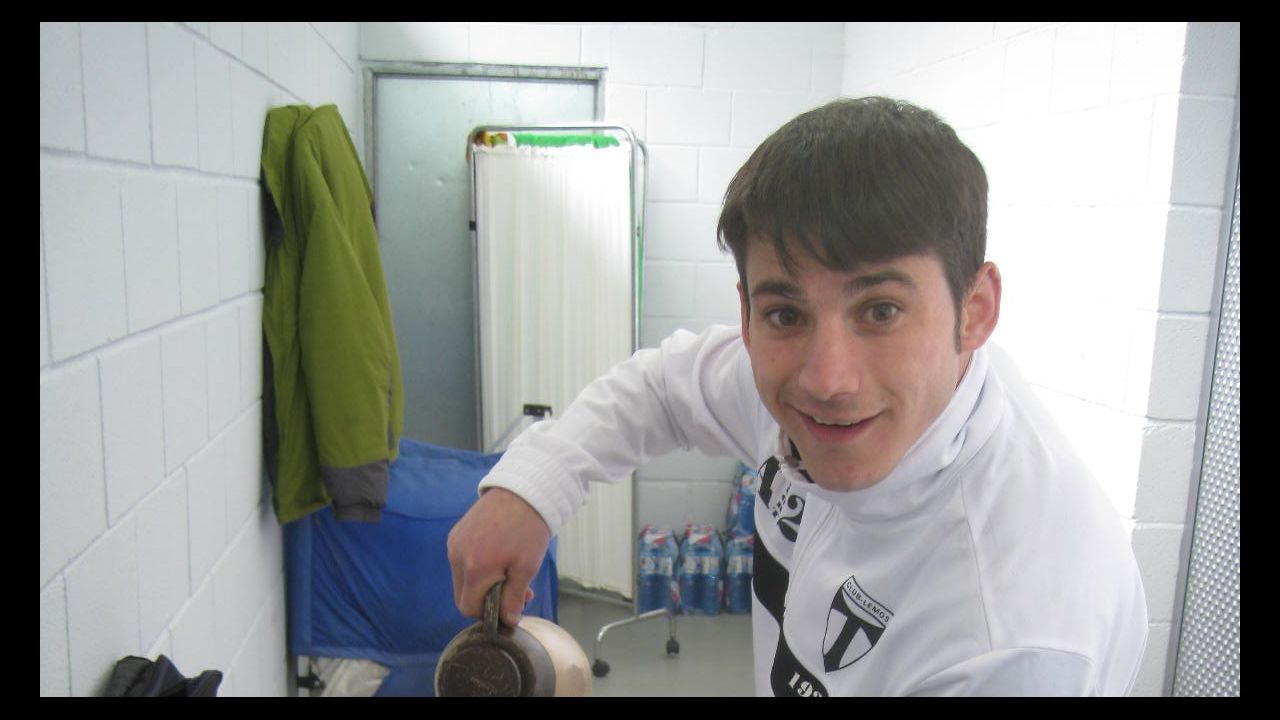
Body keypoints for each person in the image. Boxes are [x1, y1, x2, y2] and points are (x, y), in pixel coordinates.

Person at [447, 97, 1149, 696]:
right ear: (748, 314)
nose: (827, 380)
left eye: (880, 310)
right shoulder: (794, 379)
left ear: (975, 309)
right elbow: (661, 388)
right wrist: (535, 486)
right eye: (785, 312)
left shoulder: (1014, 633)